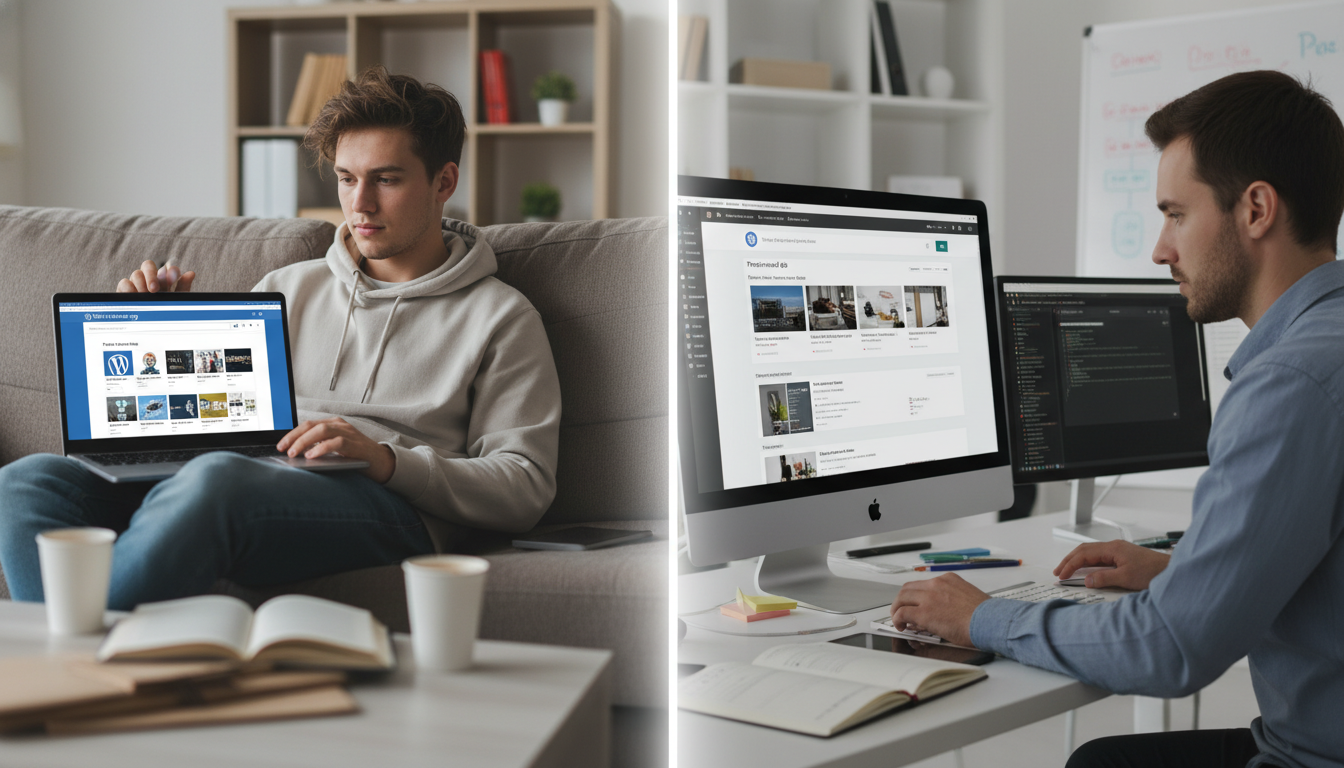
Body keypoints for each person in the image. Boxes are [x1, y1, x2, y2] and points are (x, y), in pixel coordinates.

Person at [889, 70, 1344, 768]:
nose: (1160, 250)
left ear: (1256, 210)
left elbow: (1170, 650)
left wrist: (982, 616)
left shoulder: (1290, 383)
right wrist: (1182, 571)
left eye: (1176, 214)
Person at [0, 67, 561, 610]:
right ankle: (62, 657)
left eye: (385, 179)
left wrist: (387, 460)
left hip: (387, 504)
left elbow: (524, 485)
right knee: (28, 481)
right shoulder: (287, 287)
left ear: (444, 182)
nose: (360, 204)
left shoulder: (500, 316)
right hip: (247, 477)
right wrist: (153, 332)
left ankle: (68, 665)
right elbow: (217, 420)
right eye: (346, 179)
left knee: (215, 481)